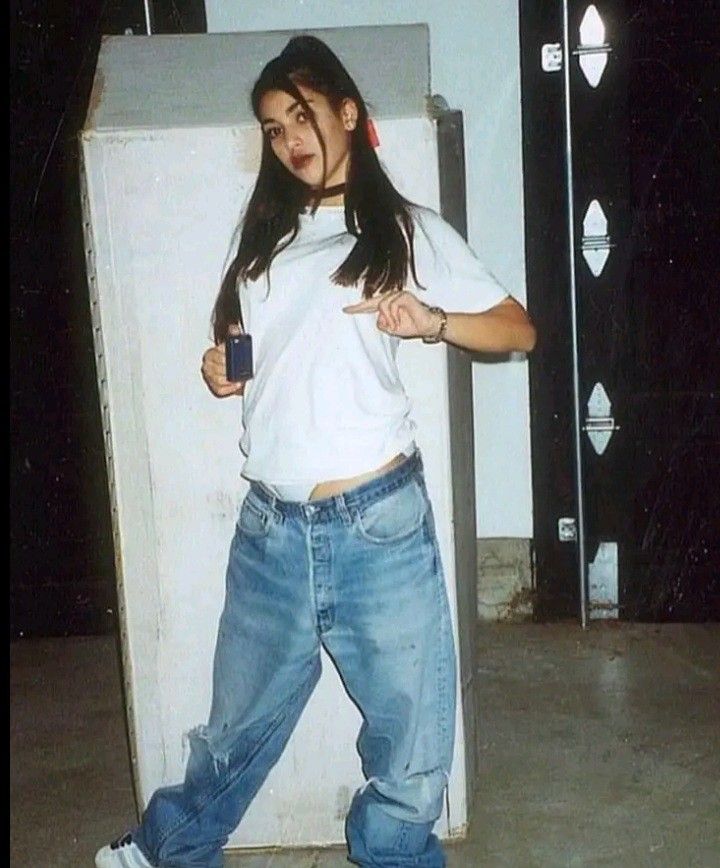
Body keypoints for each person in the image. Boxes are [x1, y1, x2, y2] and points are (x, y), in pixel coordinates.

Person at [95, 33, 535, 868]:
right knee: (232, 732)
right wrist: (228, 367)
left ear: (347, 112)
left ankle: (394, 856)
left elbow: (518, 331)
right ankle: (168, 850)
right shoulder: (265, 238)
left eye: (301, 115)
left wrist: (431, 320)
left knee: (411, 746)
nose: (288, 138)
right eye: (270, 126)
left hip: (377, 525)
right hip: (271, 528)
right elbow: (257, 349)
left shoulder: (405, 230)